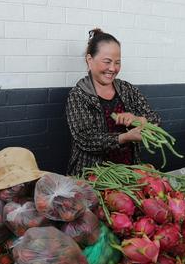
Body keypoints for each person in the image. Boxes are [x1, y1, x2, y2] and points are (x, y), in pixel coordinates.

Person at [65, 28, 162, 176]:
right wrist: (124, 137)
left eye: (117, 62)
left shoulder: (127, 89)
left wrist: (139, 120)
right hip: (93, 175)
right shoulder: (79, 95)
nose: (113, 68)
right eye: (107, 62)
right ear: (90, 60)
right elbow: (85, 139)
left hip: (128, 172)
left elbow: (155, 119)